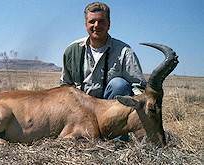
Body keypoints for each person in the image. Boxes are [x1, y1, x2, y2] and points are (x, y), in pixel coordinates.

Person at [60, 2, 146, 141]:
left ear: (109, 24)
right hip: (81, 112)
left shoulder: (124, 51)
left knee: (120, 85)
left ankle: (116, 139)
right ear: (85, 24)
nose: (96, 25)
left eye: (101, 21)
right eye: (92, 21)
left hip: (109, 111)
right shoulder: (72, 50)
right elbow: (65, 86)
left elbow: (138, 86)